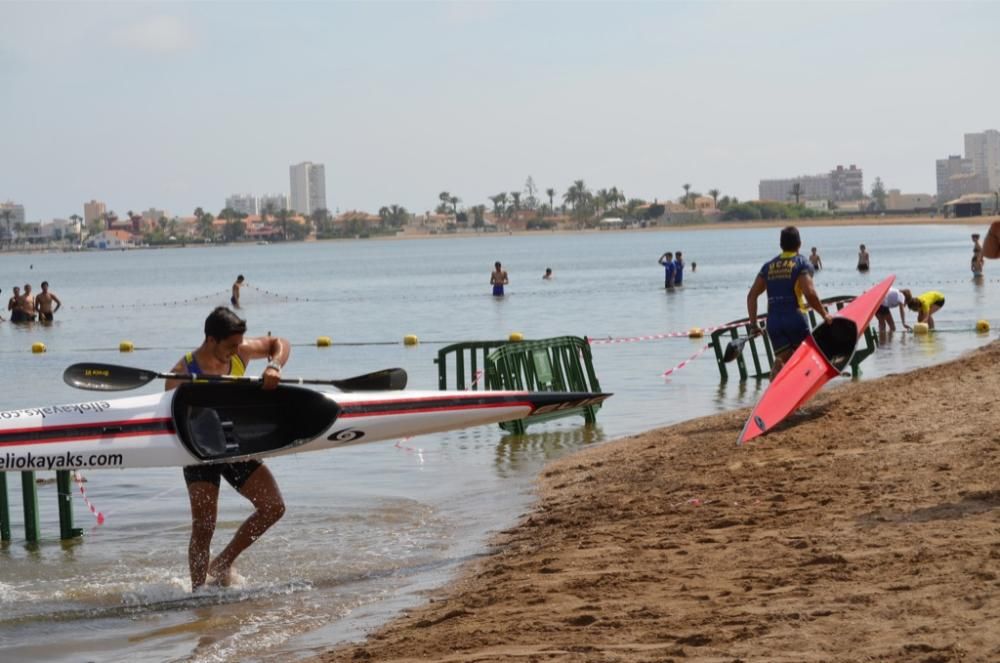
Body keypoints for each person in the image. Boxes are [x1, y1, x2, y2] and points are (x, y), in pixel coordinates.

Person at [166, 307, 289, 591]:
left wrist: (275, 365)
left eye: (239, 345)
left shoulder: (240, 352)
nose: (237, 351)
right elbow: (172, 426)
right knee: (204, 526)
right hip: (199, 452)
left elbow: (276, 344)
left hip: (235, 445)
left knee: (273, 507)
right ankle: (197, 593)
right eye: (230, 346)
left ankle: (222, 563)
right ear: (211, 340)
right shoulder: (180, 374)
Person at [747, 226, 832, 376]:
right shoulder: (802, 263)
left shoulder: (768, 266)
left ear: (781, 245)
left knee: (784, 358)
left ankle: (776, 373)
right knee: (807, 359)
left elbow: (752, 296)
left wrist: (753, 325)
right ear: (799, 244)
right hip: (795, 317)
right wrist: (824, 315)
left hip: (773, 321)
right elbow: (809, 293)